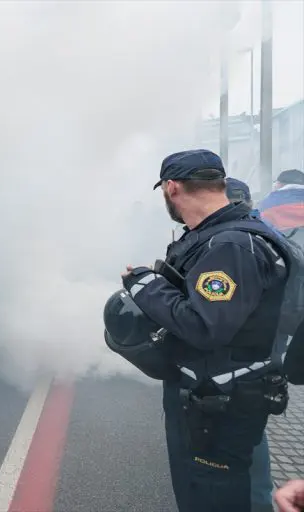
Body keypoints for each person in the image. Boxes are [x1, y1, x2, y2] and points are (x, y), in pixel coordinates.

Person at [122, 150, 289, 512]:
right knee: (204, 493)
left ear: (172, 188)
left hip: (221, 404)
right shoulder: (218, 238)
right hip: (214, 396)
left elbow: (204, 326)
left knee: (217, 498)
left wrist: (145, 285)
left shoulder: (229, 246)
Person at [226, 177, 275, 512]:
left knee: (242, 456)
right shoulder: (263, 234)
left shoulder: (235, 245)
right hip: (262, 364)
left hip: (241, 371)